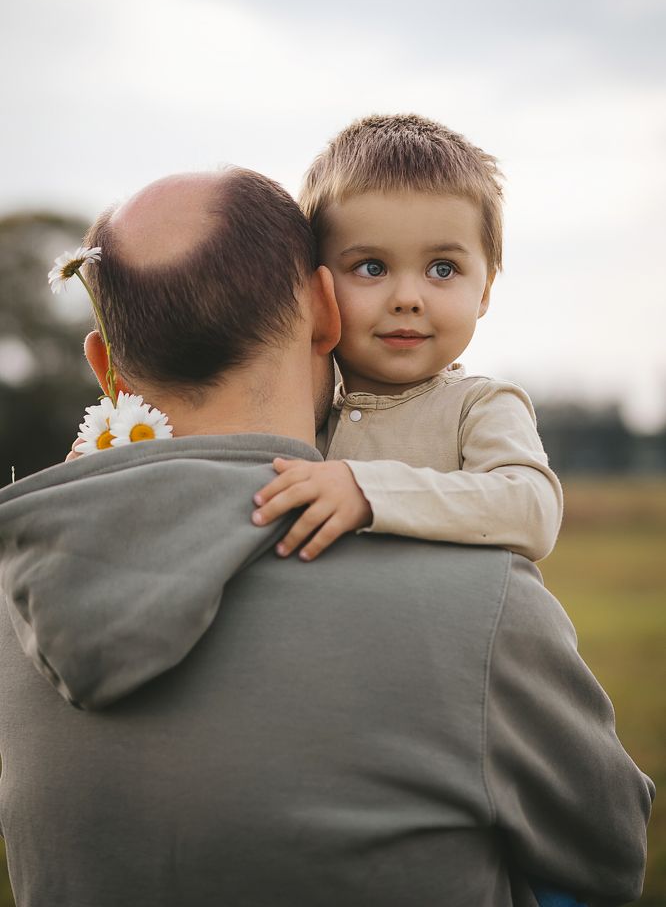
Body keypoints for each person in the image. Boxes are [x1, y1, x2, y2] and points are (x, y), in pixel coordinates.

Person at [0, 168, 653, 907]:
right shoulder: (482, 607)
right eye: (371, 269)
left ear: (105, 367)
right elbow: (610, 858)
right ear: (324, 308)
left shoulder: (14, 609)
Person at [251, 113, 562, 567]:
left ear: (485, 291)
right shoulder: (297, 408)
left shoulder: (479, 407)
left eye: (442, 269)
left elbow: (531, 509)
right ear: (318, 290)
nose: (407, 299)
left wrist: (367, 491)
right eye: (372, 267)